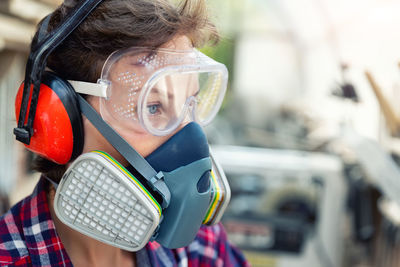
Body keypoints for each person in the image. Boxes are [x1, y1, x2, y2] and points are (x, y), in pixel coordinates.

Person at [0, 0, 249, 266]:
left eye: (191, 103)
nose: (189, 138)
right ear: (57, 120)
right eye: (152, 107)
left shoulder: (201, 247)